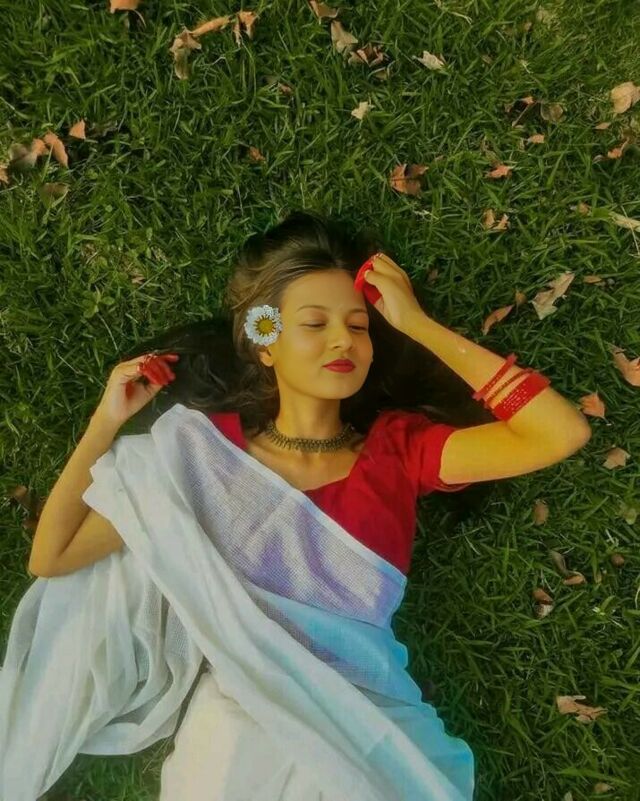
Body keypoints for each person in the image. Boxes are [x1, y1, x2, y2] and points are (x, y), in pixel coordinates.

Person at [1, 210, 591, 801]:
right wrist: (105, 423)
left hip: (376, 733)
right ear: (266, 342)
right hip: (236, 738)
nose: (343, 340)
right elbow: (52, 556)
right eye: (315, 323)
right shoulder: (201, 457)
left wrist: (418, 325)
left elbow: (559, 434)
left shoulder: (399, 450)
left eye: (359, 326)